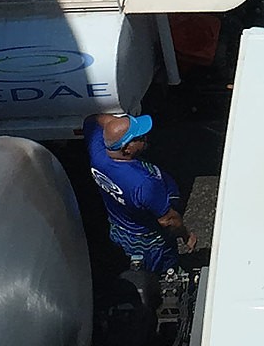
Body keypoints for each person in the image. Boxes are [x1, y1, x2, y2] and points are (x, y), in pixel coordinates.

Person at [83, 112, 194, 274]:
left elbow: (92, 120)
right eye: (139, 137)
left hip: (120, 229)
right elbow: (168, 220)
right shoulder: (143, 183)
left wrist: (118, 125)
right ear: (127, 149)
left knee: (130, 262)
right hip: (149, 240)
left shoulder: (98, 153)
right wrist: (185, 234)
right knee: (160, 272)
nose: (145, 137)